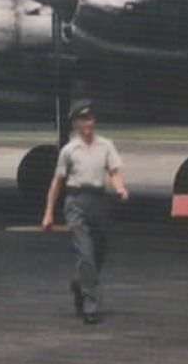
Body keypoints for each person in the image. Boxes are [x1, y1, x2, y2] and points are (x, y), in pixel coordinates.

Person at [41, 100, 129, 325]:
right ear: (76, 124)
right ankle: (90, 305)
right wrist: (49, 212)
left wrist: (120, 187)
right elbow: (57, 182)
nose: (88, 123)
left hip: (98, 201)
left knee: (100, 252)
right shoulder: (69, 150)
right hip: (76, 202)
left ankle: (81, 283)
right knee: (85, 253)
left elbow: (114, 171)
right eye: (83, 120)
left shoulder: (106, 145)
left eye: (91, 119)